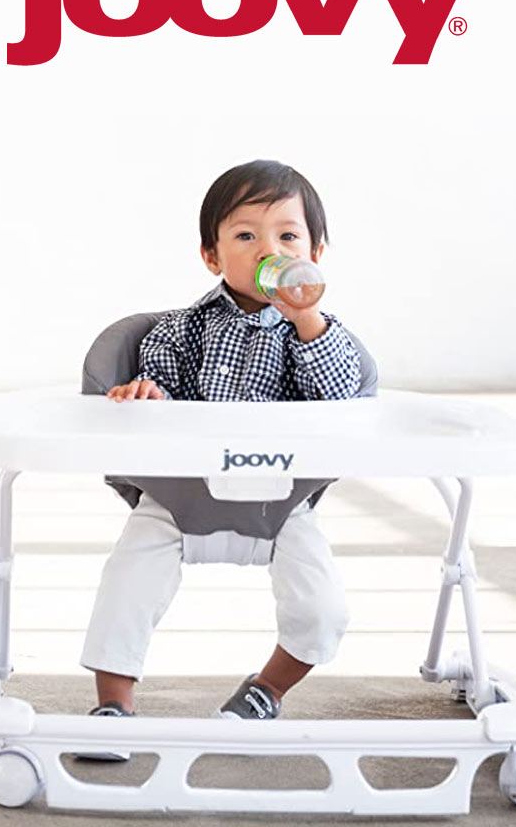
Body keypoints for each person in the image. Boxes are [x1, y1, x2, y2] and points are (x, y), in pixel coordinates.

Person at [79, 159, 377, 740]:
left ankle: (267, 690)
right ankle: (114, 708)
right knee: (126, 585)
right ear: (212, 256)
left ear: (315, 252)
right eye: (246, 235)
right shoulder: (177, 332)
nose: (269, 249)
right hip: (181, 498)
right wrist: (144, 397)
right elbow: (157, 409)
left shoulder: (318, 335)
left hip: (280, 501)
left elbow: (344, 403)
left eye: (287, 237)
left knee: (323, 610)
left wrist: (307, 318)